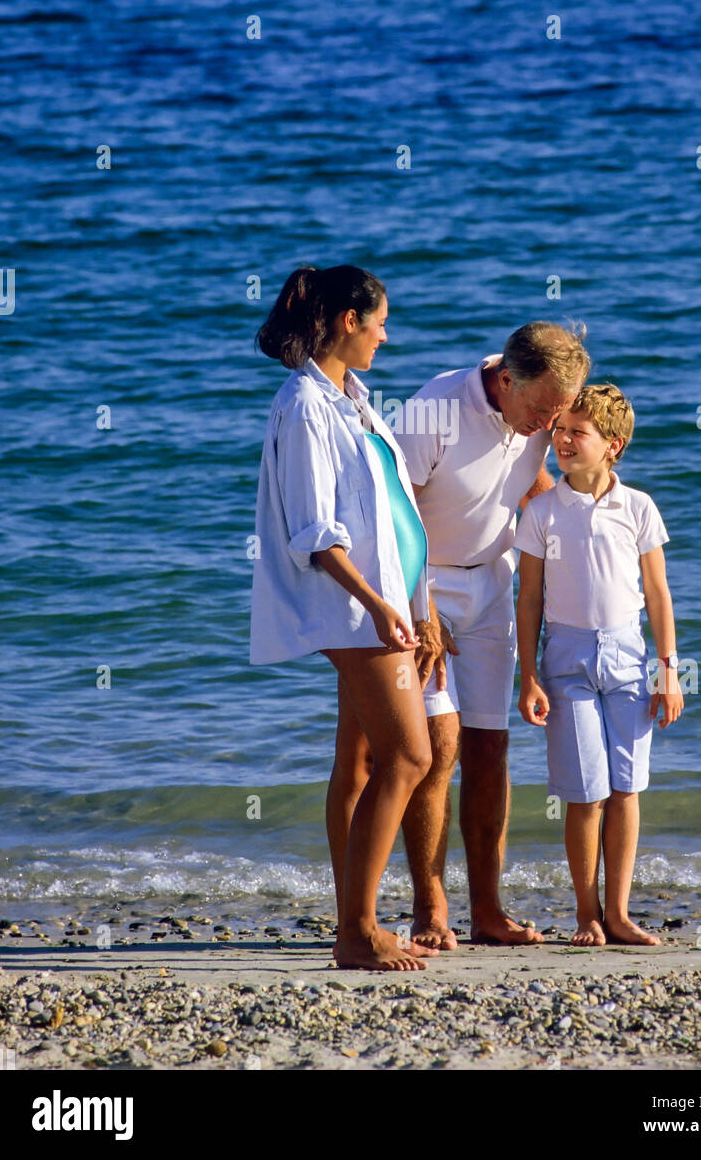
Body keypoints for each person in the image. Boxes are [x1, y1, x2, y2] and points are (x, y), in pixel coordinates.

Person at [249, 264, 438, 971]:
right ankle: (358, 932)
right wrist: (383, 606)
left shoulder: (350, 397)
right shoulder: (305, 405)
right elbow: (316, 532)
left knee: (359, 763)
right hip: (358, 614)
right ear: (348, 321)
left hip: (385, 608)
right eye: (380, 322)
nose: (386, 337)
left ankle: (353, 924)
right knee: (412, 756)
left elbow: (390, 510)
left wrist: (420, 606)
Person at [393, 322, 590, 949]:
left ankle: (488, 912)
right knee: (438, 741)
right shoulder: (435, 409)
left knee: (488, 748)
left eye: (560, 411)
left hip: (493, 586)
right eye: (541, 410)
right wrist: (417, 604)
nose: (550, 425)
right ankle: (430, 909)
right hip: (423, 584)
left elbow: (525, 485)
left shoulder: (535, 407)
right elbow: (389, 510)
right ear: (505, 382)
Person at [515, 383, 684, 947]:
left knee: (626, 789)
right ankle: (587, 914)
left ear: (612, 445)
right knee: (585, 792)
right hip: (565, 659)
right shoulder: (541, 510)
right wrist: (529, 674)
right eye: (559, 429)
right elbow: (530, 599)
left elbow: (657, 594)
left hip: (629, 658)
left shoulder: (637, 506)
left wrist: (669, 669)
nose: (562, 439)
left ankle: (619, 913)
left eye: (576, 432)